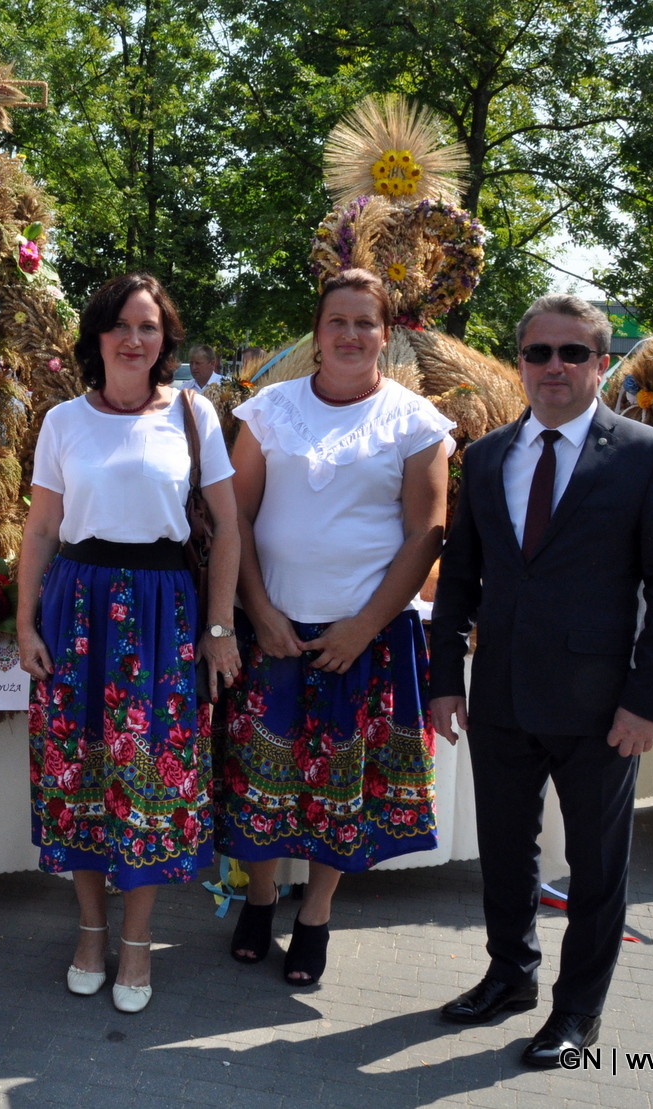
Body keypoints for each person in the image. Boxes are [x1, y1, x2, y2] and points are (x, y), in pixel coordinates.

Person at [429, 294, 653, 1067]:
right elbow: (460, 583)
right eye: (539, 353)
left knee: (596, 866)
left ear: (602, 363)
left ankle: (578, 1009)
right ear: (520, 362)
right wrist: (446, 678)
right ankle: (510, 975)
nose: (555, 367)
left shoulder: (650, 456)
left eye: (573, 353)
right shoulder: (483, 458)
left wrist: (649, 701)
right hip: (503, 698)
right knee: (506, 850)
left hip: (602, 708)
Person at [217, 269, 453, 986]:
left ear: (387, 334)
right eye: (336, 322)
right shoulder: (269, 411)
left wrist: (361, 628)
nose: (350, 335)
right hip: (273, 628)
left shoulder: (414, 421)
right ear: (316, 334)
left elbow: (426, 531)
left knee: (336, 788)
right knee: (263, 775)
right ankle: (259, 899)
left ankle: (315, 915)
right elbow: (237, 518)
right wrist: (258, 612)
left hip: (365, 637)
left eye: (365, 323)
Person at [17, 272, 242, 1014]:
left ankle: (137, 942)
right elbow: (43, 529)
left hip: (162, 612)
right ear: (98, 337)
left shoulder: (192, 413)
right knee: (78, 769)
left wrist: (218, 628)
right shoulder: (62, 421)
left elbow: (228, 527)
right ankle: (89, 929)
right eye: (120, 324)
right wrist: (24, 622)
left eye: (148, 326)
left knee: (150, 775)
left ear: (164, 340)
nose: (134, 338)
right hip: (76, 606)